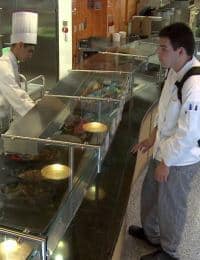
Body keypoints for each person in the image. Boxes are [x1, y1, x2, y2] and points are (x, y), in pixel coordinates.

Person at [128, 23, 200, 260]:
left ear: (181, 51)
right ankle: (151, 234)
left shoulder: (195, 85)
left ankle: (169, 251)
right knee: (149, 194)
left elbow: (188, 133)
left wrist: (166, 162)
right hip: (162, 149)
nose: (158, 53)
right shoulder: (173, 70)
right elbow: (166, 110)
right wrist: (152, 137)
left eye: (163, 48)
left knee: (171, 205)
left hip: (180, 159)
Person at [0, 11, 38, 131]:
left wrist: (35, 105)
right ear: (20, 45)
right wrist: (39, 114)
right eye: (30, 51)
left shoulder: (12, 62)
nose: (30, 56)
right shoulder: (4, 67)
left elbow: (19, 92)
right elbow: (17, 97)